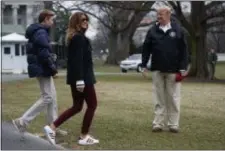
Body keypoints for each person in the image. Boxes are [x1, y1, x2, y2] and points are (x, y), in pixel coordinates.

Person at [44, 12, 99, 145]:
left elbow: (75, 60)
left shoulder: (76, 37)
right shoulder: (79, 38)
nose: (86, 21)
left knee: (77, 106)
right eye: (82, 20)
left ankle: (52, 127)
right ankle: (84, 136)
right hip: (83, 78)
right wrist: (80, 79)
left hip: (79, 78)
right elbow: (77, 60)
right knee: (92, 105)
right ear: (76, 23)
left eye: (86, 19)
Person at [12, 10, 67, 136]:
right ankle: (23, 121)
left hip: (41, 68)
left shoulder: (38, 32)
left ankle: (52, 127)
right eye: (51, 20)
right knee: (47, 97)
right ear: (46, 19)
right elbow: (44, 54)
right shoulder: (41, 32)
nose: (52, 23)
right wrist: (53, 69)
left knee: (52, 97)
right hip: (42, 68)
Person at [141, 6, 188, 133]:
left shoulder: (178, 30)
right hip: (157, 70)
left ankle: (173, 124)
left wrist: (183, 67)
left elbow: (184, 50)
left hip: (174, 70)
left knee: (173, 98)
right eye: (157, 15)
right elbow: (146, 49)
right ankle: (158, 123)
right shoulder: (152, 31)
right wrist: (143, 64)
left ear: (168, 14)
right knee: (159, 98)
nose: (158, 17)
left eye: (161, 14)